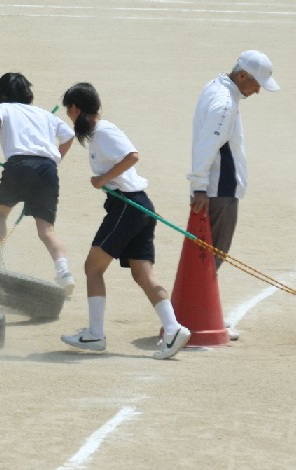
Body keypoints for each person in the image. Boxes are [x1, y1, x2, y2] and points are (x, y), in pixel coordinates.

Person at [58, 83, 191, 360]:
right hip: (139, 207)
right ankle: (174, 328)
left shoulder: (103, 131)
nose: (69, 116)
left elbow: (132, 155)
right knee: (143, 275)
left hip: (127, 207)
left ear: (76, 109)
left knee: (92, 268)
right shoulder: (95, 135)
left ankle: (95, 334)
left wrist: (103, 179)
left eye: (69, 111)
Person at [0, 72, 77, 294]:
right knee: (46, 229)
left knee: (1, 213)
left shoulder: (2, 108)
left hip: (19, 164)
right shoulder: (44, 114)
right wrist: (56, 159)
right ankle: (64, 272)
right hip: (47, 169)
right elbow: (69, 135)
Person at [188, 50, 280, 272]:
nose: (258, 90)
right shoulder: (225, 104)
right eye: (257, 84)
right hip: (219, 192)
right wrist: (199, 187)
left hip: (213, 190)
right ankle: (193, 307)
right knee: (210, 261)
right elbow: (207, 145)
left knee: (203, 259)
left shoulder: (214, 87)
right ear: (242, 76)